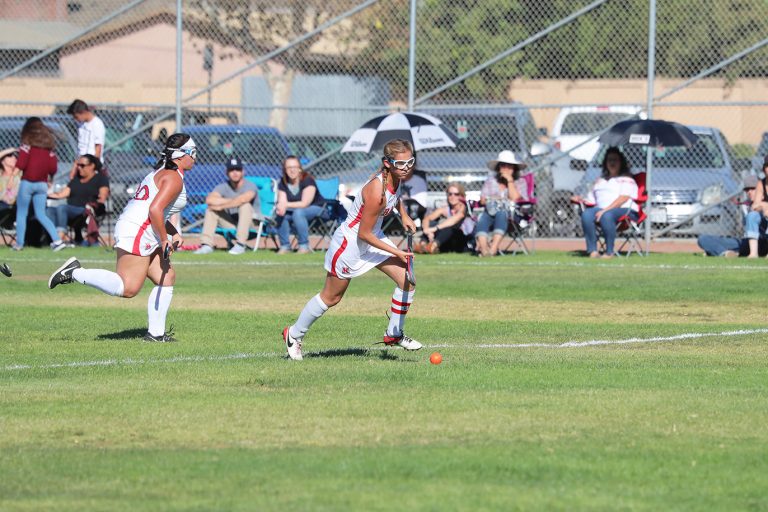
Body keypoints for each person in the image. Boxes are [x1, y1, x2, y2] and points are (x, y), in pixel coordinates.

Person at [281, 139, 422, 360]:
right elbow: (363, 234)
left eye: (410, 162)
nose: (406, 168)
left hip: (373, 237)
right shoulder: (376, 191)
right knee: (332, 297)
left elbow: (396, 198)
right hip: (351, 245)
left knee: (407, 280)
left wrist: (403, 215)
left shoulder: (396, 177)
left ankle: (393, 333)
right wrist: (397, 252)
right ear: (387, 163)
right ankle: (294, 333)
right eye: (400, 164)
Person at [48, 133, 196, 342]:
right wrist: (165, 239)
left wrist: (173, 233)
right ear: (180, 156)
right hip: (139, 230)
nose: (195, 158)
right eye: (193, 153)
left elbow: (154, 210)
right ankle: (75, 273)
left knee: (166, 276)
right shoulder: (172, 177)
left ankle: (156, 334)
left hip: (142, 226)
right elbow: (154, 210)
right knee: (128, 288)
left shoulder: (166, 173)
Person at [572, 147, 639, 259]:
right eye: (609, 160)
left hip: (625, 210)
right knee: (587, 214)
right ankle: (592, 250)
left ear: (621, 163)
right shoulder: (600, 180)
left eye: (615, 160)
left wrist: (605, 210)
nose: (612, 163)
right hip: (601, 210)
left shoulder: (627, 179)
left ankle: (609, 252)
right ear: (605, 163)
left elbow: (623, 198)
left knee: (607, 216)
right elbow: (591, 200)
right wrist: (580, 199)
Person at [15, 117, 66, 251]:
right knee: (41, 214)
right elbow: (53, 168)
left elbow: (21, 164)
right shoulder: (49, 149)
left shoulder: (27, 145)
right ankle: (57, 240)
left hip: (27, 183)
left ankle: (19, 244)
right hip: (42, 185)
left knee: (21, 214)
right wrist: (50, 178)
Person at [193, 156, 258, 255]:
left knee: (245, 205)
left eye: (238, 169)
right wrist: (232, 201)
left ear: (243, 172)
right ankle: (207, 245)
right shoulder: (223, 187)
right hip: (232, 224)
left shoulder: (250, 185)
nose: (235, 172)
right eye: (232, 170)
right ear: (227, 172)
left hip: (251, 225)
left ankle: (240, 245)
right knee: (211, 210)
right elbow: (209, 200)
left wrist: (221, 205)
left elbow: (244, 199)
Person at [474, 150, 528, 257]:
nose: (506, 169)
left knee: (501, 213)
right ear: (498, 168)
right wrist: (492, 198)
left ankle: (493, 249)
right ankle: (484, 250)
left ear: (514, 169)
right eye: (503, 166)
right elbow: (482, 200)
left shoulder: (521, 182)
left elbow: (516, 198)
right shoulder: (491, 181)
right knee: (483, 217)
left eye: (509, 166)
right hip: (491, 212)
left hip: (512, 216)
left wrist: (510, 181)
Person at [46, 154, 109, 245]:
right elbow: (61, 194)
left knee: (62, 208)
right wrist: (43, 195)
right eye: (78, 165)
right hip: (71, 211)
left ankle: (59, 238)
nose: (79, 168)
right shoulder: (76, 179)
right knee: (49, 210)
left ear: (92, 166)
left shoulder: (101, 179)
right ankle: (51, 239)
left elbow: (102, 197)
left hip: (86, 211)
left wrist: (96, 203)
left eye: (82, 165)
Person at [698, 174, 768, 257]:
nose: (749, 192)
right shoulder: (745, 206)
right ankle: (725, 253)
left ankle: (716, 252)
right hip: (747, 242)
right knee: (703, 239)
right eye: (746, 189)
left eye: (753, 188)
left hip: (763, 242)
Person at [275, 156, 324, 254]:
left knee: (298, 212)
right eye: (289, 167)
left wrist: (285, 204)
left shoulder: (307, 179)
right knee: (281, 214)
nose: (292, 170)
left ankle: (304, 246)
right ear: (285, 169)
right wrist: (280, 207)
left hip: (318, 209)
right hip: (297, 210)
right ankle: (285, 246)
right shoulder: (283, 182)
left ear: (300, 168)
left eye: (295, 167)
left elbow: (305, 203)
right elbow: (282, 201)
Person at [416, 182, 474, 254]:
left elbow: (454, 220)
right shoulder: (445, 209)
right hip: (447, 240)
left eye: (456, 194)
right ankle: (423, 245)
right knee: (432, 223)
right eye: (450, 194)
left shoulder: (464, 208)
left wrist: (434, 229)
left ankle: (433, 246)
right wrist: (427, 230)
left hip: (463, 240)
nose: (452, 196)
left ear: (462, 196)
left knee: (450, 227)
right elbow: (427, 218)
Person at [66, 99, 105, 180]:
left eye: (76, 117)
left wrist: (93, 168)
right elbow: (81, 149)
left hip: (90, 166)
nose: (76, 119)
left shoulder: (97, 124)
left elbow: (98, 148)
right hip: (81, 164)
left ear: (83, 112)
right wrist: (74, 168)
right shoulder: (81, 124)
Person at [746, 155, 768, 257]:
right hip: (765, 219)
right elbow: (754, 206)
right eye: (767, 166)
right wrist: (764, 205)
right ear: (764, 169)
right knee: (752, 216)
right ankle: (753, 253)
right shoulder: (761, 183)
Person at [0, 147, 20, 212]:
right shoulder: (1, 173)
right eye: (10, 156)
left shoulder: (20, 172)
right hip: (2, 204)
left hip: (16, 205)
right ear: (2, 161)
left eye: (15, 156)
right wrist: (11, 150)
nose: (14, 158)